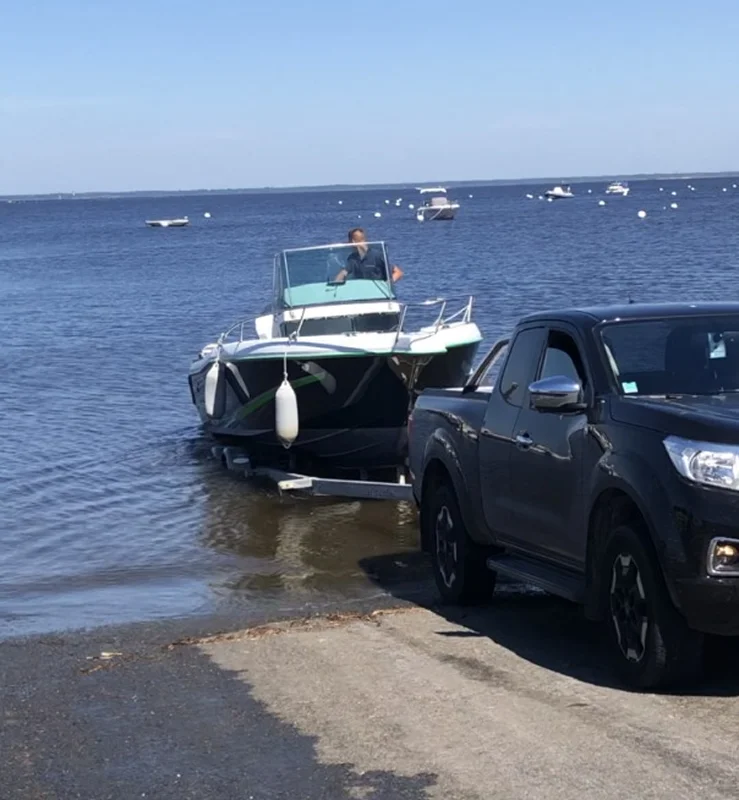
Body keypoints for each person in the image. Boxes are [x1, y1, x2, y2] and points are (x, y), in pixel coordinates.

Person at [333, 228, 403, 283]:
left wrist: (387, 285)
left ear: (353, 242)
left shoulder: (377, 255)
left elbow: (398, 272)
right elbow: (344, 272)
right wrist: (335, 284)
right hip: (362, 292)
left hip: (378, 294)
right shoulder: (352, 258)